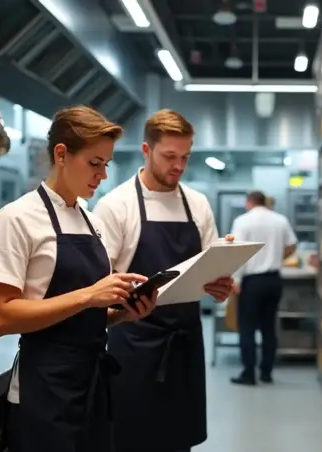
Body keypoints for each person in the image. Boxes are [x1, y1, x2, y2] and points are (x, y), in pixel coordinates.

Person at [0, 106, 157, 452]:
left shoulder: (92, 222)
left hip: (91, 384)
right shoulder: (17, 219)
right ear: (61, 154)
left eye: (105, 165)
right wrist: (90, 295)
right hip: (43, 391)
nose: (102, 175)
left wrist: (122, 313)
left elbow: (84, 316)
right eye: (94, 163)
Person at [93, 108, 233, 452]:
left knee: (178, 442)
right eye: (170, 156)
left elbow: (209, 268)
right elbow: (96, 284)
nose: (179, 166)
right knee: (131, 441)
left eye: (185, 157)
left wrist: (220, 287)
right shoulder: (116, 206)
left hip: (185, 344)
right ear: (146, 150)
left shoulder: (197, 204)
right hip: (134, 345)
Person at [229, 190, 298, 385]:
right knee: (269, 328)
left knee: (247, 328)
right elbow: (292, 245)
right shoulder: (280, 220)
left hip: (252, 282)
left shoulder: (243, 221)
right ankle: (266, 372)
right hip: (273, 280)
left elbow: (238, 252)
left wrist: (237, 280)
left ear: (249, 202)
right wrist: (277, 257)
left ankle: (249, 373)